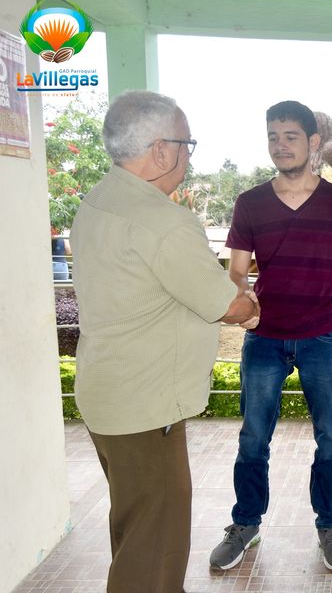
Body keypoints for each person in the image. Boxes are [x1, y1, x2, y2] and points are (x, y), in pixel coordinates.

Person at [70, 90, 258, 593]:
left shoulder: (97, 201)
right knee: (156, 551)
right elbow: (227, 305)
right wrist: (249, 302)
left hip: (109, 398)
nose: (188, 156)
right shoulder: (164, 221)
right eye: (186, 144)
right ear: (160, 151)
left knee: (135, 532)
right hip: (146, 410)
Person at [210, 100, 332, 572]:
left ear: (313, 142)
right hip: (264, 339)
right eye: (273, 137)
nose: (280, 145)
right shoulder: (250, 203)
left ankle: (330, 525)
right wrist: (241, 304)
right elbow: (236, 272)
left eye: (291, 137)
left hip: (324, 338)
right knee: (253, 438)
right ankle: (245, 523)